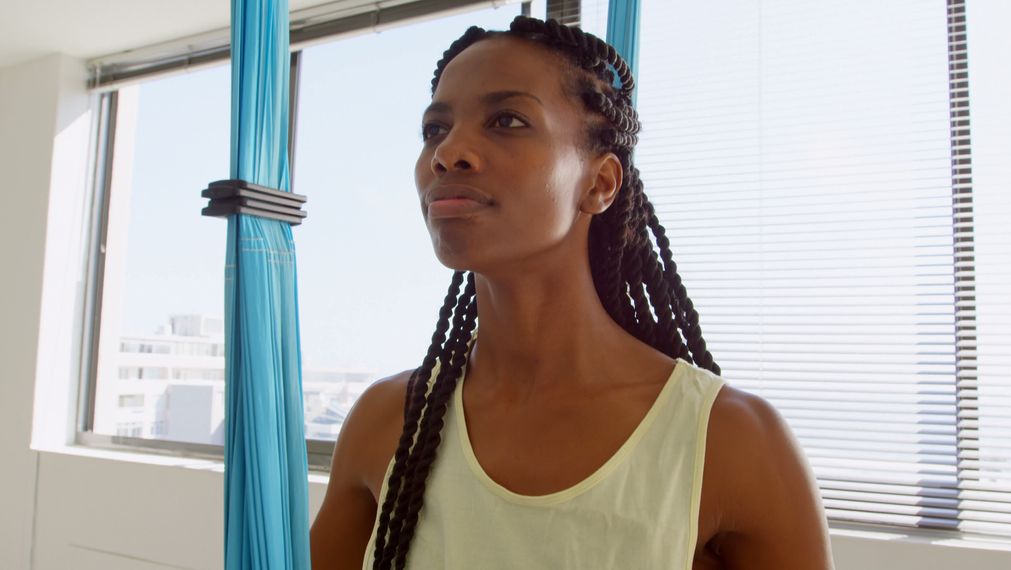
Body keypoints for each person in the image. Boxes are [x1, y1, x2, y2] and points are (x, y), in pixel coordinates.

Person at [310, 15, 833, 570]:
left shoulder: (730, 443)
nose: (448, 153)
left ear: (600, 183)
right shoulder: (387, 423)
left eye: (506, 120)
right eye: (435, 129)